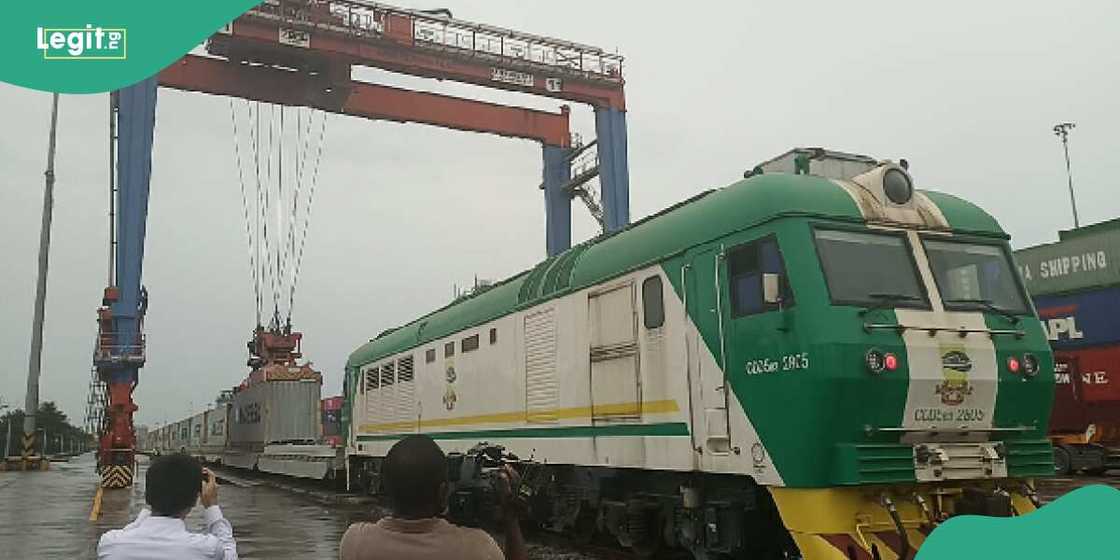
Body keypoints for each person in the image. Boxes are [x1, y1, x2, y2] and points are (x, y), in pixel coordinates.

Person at [340, 435, 528, 560]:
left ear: (386, 488)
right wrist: (511, 519)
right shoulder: (478, 547)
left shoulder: (355, 542)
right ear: (442, 492)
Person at [97, 453, 238, 560]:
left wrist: (153, 498)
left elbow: (131, 529)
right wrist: (211, 506)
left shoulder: (110, 544)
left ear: (149, 494)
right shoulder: (208, 549)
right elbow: (229, 552)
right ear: (196, 498)